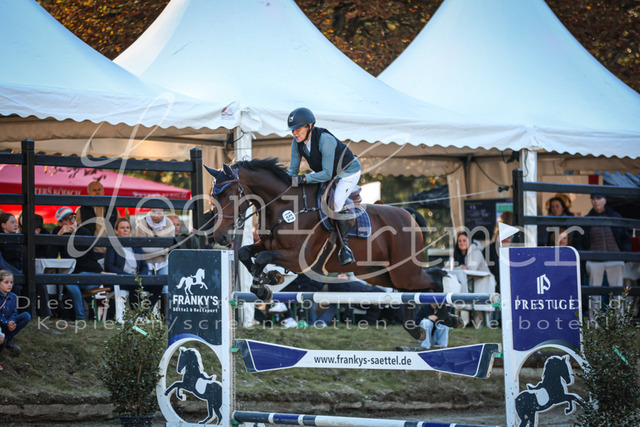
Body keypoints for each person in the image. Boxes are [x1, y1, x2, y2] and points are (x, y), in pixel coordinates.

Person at [286, 107, 361, 266]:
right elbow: (292, 171)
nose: (295, 133)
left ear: (309, 126)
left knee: (336, 203)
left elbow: (326, 174)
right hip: (328, 172)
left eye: (298, 129)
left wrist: (303, 178)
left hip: (347, 172)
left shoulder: (325, 140)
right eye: (293, 130)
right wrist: (285, 182)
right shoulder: (297, 143)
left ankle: (345, 247)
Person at [577, 193, 631, 317]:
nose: (596, 201)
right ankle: (593, 321)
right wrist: (585, 258)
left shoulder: (615, 217)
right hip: (594, 260)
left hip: (615, 258)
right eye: (593, 199)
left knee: (617, 292)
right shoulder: (587, 219)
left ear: (605, 200)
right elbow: (579, 240)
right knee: (593, 293)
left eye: (598, 198)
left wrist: (624, 256)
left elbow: (625, 237)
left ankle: (619, 321)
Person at [47, 207, 102, 320]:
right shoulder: (58, 232)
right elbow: (51, 256)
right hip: (73, 276)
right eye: (68, 219)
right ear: (60, 223)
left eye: (73, 217)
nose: (72, 221)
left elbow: (80, 255)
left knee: (69, 281)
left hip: (91, 274)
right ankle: (78, 316)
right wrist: (59, 236)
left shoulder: (83, 231)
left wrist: (74, 233)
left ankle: (80, 317)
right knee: (69, 281)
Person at [104, 218, 161, 309]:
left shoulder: (135, 245)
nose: (125, 230)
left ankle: (146, 311)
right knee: (134, 284)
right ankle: (135, 312)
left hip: (137, 279)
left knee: (158, 284)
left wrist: (140, 277)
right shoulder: (112, 245)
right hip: (120, 280)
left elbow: (144, 266)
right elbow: (109, 266)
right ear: (116, 231)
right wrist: (128, 276)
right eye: (122, 228)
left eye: (128, 227)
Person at [452, 231, 496, 327]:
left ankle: (479, 326)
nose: (462, 243)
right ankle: (462, 323)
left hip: (483, 283)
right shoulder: (459, 254)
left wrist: (459, 268)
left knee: (478, 309)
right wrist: (460, 267)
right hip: (473, 283)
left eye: (464, 240)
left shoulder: (475, 251)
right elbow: (452, 267)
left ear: (469, 241)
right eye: (459, 241)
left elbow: (471, 269)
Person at [75, 181, 120, 259]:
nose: (97, 192)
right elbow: (76, 230)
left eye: (99, 189)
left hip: (111, 251)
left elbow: (120, 228)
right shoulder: (81, 210)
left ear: (103, 192)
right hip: (89, 252)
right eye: (94, 190)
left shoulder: (113, 210)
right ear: (89, 193)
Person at [135, 208, 175, 275]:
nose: (155, 215)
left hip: (163, 262)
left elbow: (170, 246)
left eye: (159, 213)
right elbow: (142, 247)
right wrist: (162, 250)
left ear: (164, 212)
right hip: (146, 262)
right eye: (153, 212)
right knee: (146, 281)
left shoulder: (169, 223)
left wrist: (150, 247)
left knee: (165, 281)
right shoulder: (142, 223)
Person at [0, 270, 31, 352]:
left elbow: (14, 312)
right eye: (6, 282)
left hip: (7, 324)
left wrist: (12, 321)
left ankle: (8, 339)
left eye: (11, 282)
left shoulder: (13, 296)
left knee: (26, 316)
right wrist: (7, 323)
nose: (9, 285)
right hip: (1, 324)